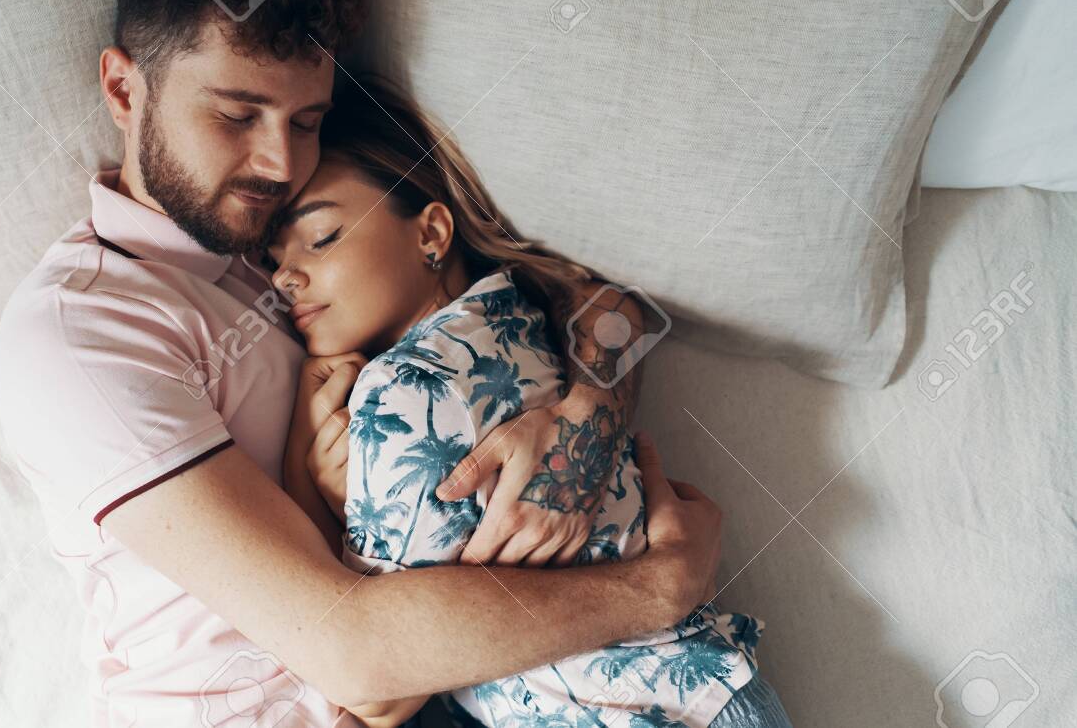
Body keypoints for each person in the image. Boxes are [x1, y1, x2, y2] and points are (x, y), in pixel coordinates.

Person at [0, 0, 723, 726]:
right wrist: (660, 587)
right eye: (236, 115)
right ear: (125, 88)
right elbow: (356, 661)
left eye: (304, 120)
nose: (277, 161)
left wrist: (582, 423)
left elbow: (589, 302)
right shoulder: (82, 330)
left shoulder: (296, 237)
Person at [269, 78, 793, 728]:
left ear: (432, 231)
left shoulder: (399, 394)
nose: (284, 275)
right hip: (717, 694)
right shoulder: (525, 312)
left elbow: (377, 687)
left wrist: (306, 466)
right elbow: (611, 309)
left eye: (321, 237)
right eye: (274, 256)